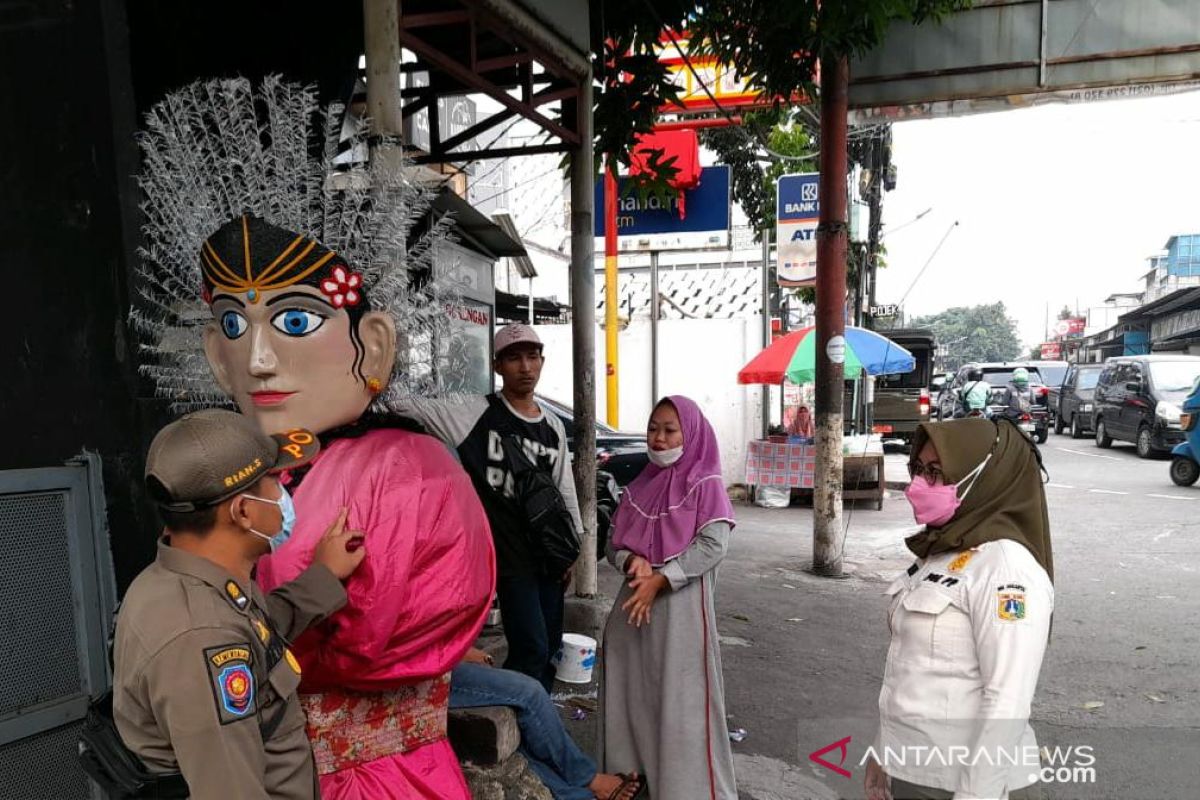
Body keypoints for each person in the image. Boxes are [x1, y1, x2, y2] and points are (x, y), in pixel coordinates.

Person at [133, 78, 497, 799]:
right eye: (234, 327)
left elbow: (365, 643)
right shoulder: (245, 465)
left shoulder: (405, 468)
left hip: (375, 777)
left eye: (297, 321)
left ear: (375, 343)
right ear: (212, 350)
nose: (257, 358)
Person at [113, 410, 365, 798]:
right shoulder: (200, 637)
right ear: (243, 511)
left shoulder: (186, 581)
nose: (285, 495)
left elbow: (258, 636)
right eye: (275, 484)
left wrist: (324, 576)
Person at [865, 418, 1054, 800]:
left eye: (936, 473)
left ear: (985, 477)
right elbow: (910, 671)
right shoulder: (944, 549)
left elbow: (1007, 699)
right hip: (916, 771)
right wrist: (882, 751)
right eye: (918, 469)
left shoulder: (1006, 569)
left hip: (971, 784)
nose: (920, 484)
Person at [394, 323, 584, 691]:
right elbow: (409, 408)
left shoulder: (552, 427)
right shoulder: (474, 414)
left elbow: (565, 490)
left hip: (549, 554)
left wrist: (572, 549)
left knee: (549, 648)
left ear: (542, 362)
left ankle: (534, 715)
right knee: (531, 646)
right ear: (497, 366)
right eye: (514, 358)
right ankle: (523, 714)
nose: (525, 367)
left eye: (532, 357)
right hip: (508, 558)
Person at [602, 395, 738, 799]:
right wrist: (633, 561)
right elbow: (612, 543)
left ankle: (683, 789)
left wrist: (661, 580)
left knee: (680, 704)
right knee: (632, 699)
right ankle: (631, 781)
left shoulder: (705, 483)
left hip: (679, 615)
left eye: (670, 430)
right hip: (631, 616)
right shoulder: (641, 483)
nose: (659, 439)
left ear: (690, 434)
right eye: (653, 429)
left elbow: (714, 544)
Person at [450, 649, 643, 800]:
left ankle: (579, 795)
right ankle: (589, 778)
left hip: (440, 657)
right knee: (529, 693)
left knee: (526, 725)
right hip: (428, 669)